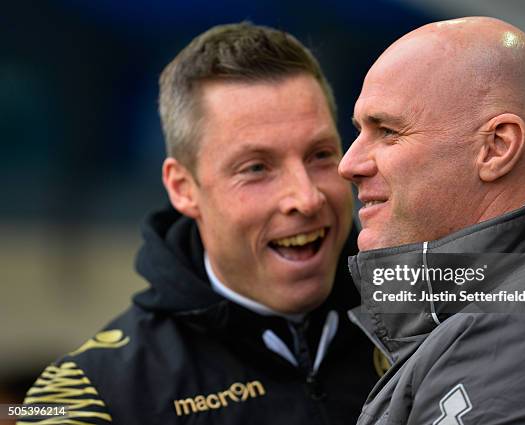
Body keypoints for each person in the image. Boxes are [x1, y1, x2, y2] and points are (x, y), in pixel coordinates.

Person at [19, 23, 382, 425]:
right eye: (257, 168)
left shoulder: (434, 315)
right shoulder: (85, 393)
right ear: (183, 188)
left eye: (320, 155)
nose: (306, 197)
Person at [339, 16, 525, 424]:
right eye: (359, 131)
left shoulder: (522, 334)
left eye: (388, 131)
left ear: (497, 147)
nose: (350, 164)